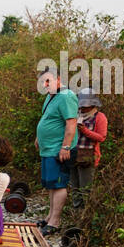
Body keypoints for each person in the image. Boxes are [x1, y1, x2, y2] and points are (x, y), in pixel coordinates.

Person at [35, 69, 79, 237]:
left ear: (58, 79)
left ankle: (55, 222)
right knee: (51, 184)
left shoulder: (66, 96)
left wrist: (65, 147)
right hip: (48, 149)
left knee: (59, 183)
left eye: (48, 81)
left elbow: (71, 123)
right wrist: (38, 137)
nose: (45, 85)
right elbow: (47, 118)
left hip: (58, 149)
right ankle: (49, 217)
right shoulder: (51, 96)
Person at [72, 89, 107, 205]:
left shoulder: (100, 117)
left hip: (88, 156)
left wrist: (85, 131)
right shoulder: (75, 114)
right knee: (74, 187)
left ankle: (85, 212)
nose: (83, 108)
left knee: (85, 188)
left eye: (85, 106)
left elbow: (101, 137)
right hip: (73, 154)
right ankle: (76, 212)